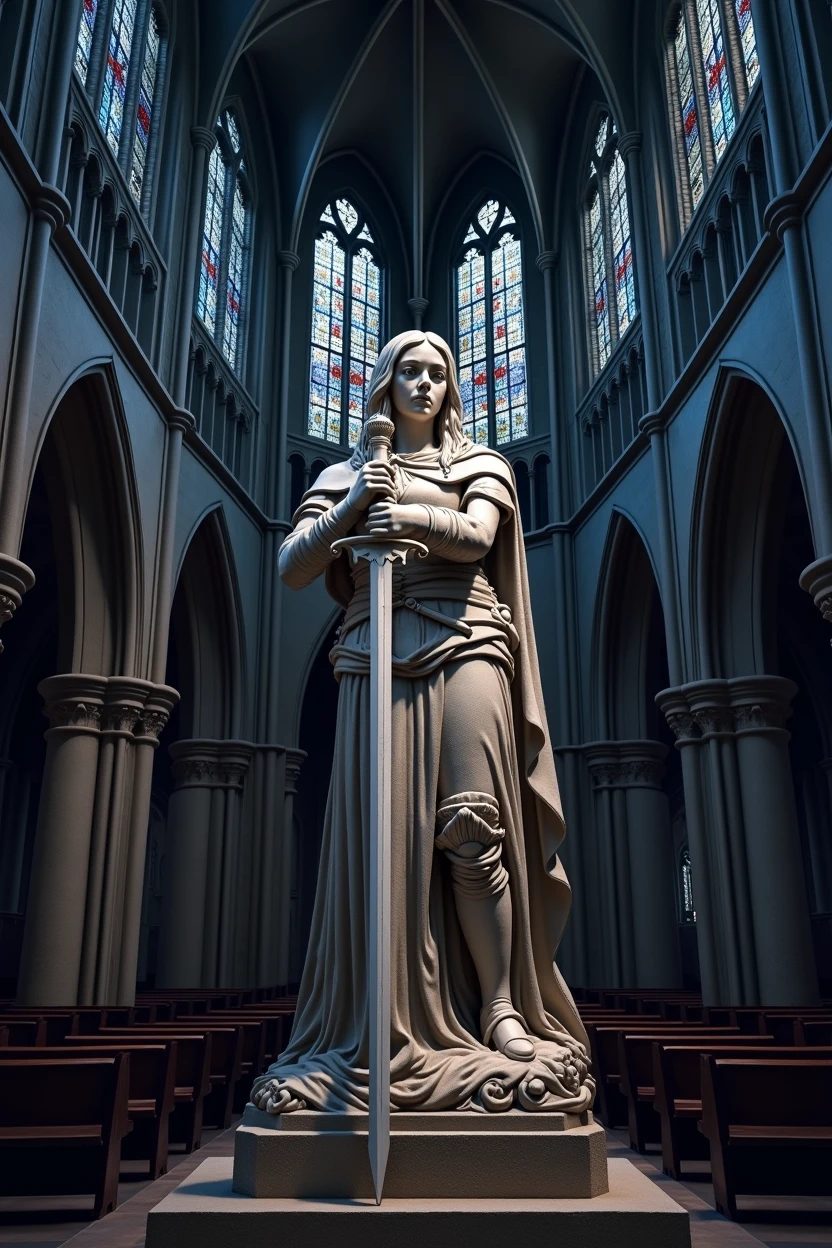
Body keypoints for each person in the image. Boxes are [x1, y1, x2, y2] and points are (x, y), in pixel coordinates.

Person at [252, 330, 594, 1114]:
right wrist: (352, 505)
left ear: (452, 388)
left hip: (467, 636)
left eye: (438, 372)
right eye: (408, 370)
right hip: (374, 650)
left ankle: (501, 1007)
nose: (423, 383)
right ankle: (376, 1018)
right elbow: (294, 565)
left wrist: (395, 507)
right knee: (386, 846)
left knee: (474, 831)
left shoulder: (484, 466)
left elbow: (475, 539)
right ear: (381, 384)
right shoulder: (348, 473)